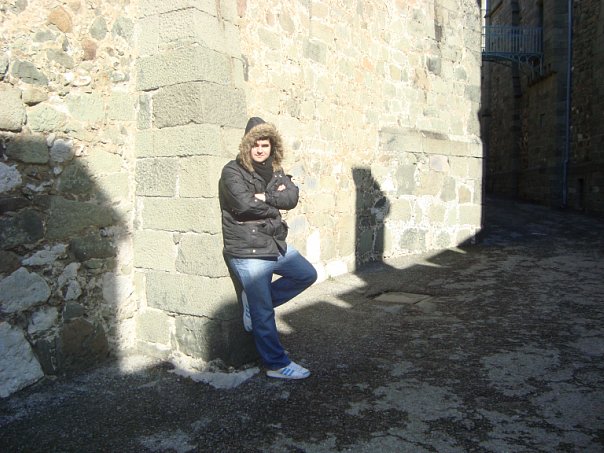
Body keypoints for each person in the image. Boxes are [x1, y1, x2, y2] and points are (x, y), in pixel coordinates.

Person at [219, 117, 318, 380]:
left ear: (272, 146)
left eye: (265, 145)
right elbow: (244, 205)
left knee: (306, 274)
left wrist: (265, 197)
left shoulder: (276, 170)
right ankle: (276, 365)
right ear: (247, 145)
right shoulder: (232, 171)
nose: (260, 150)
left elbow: (292, 197)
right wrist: (275, 201)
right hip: (247, 248)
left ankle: (253, 302)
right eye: (255, 145)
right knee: (263, 312)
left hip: (273, 242)